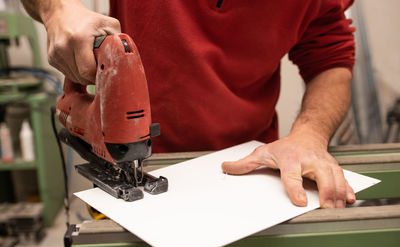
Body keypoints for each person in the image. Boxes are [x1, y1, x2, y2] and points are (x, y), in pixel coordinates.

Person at [22, 0, 356, 209]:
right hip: (146, 163)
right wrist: (56, 9)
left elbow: (331, 59)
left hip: (250, 169)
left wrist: (308, 136)